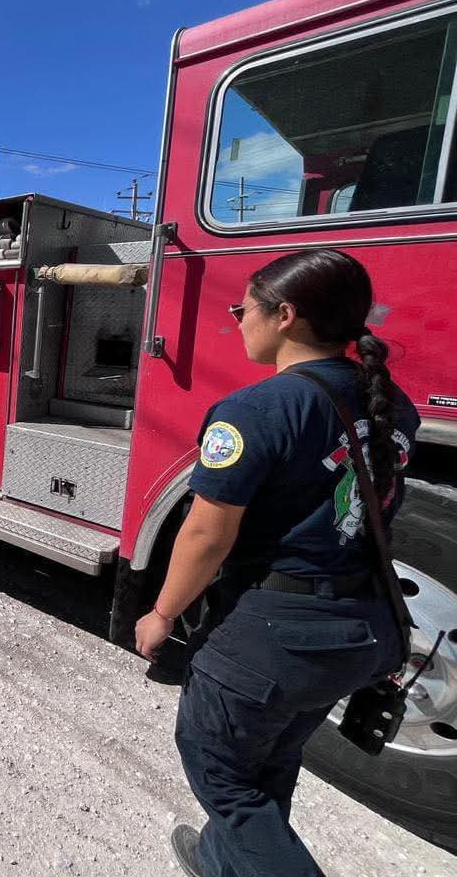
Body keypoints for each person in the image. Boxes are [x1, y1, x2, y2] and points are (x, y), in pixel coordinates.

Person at [134, 249, 419, 877]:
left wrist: (161, 613)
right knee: (273, 756)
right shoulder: (395, 405)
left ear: (284, 315)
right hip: (361, 627)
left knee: (225, 777)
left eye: (242, 309)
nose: (236, 320)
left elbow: (207, 535)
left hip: (272, 634)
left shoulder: (255, 411)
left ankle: (248, 855)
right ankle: (223, 861)